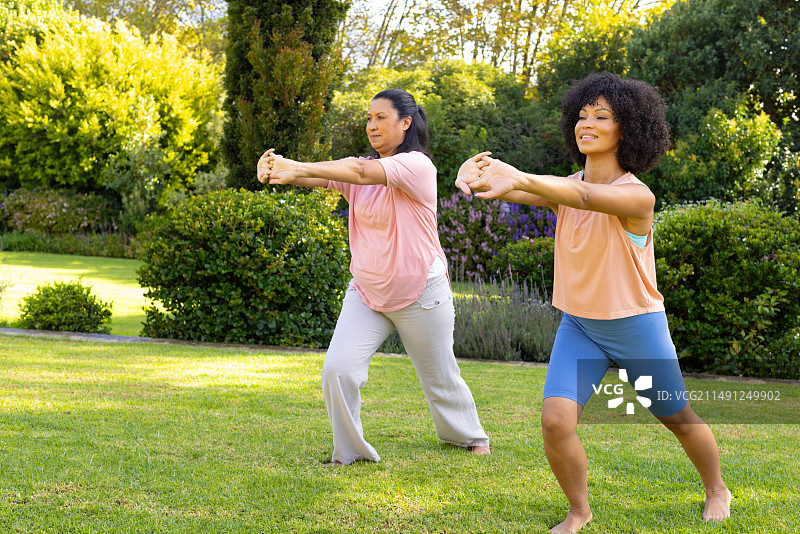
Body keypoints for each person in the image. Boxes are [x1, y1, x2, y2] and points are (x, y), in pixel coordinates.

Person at [456, 73, 731, 533]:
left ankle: (717, 488)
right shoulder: (565, 186)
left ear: (629, 129)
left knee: (678, 419)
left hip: (635, 327)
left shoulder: (637, 196)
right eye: (582, 116)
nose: (587, 123)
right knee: (556, 421)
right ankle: (579, 511)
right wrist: (476, 176)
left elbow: (583, 196)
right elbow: (531, 190)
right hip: (580, 327)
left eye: (602, 117)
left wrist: (520, 175)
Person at [256, 88, 491, 466]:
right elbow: (333, 175)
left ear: (406, 122)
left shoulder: (417, 166)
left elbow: (362, 171)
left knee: (440, 376)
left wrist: (299, 166)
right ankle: (350, 451)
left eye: (381, 117)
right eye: (369, 118)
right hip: (367, 291)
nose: (372, 125)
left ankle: (468, 434)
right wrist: (280, 167)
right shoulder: (358, 170)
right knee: (338, 369)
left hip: (420, 292)